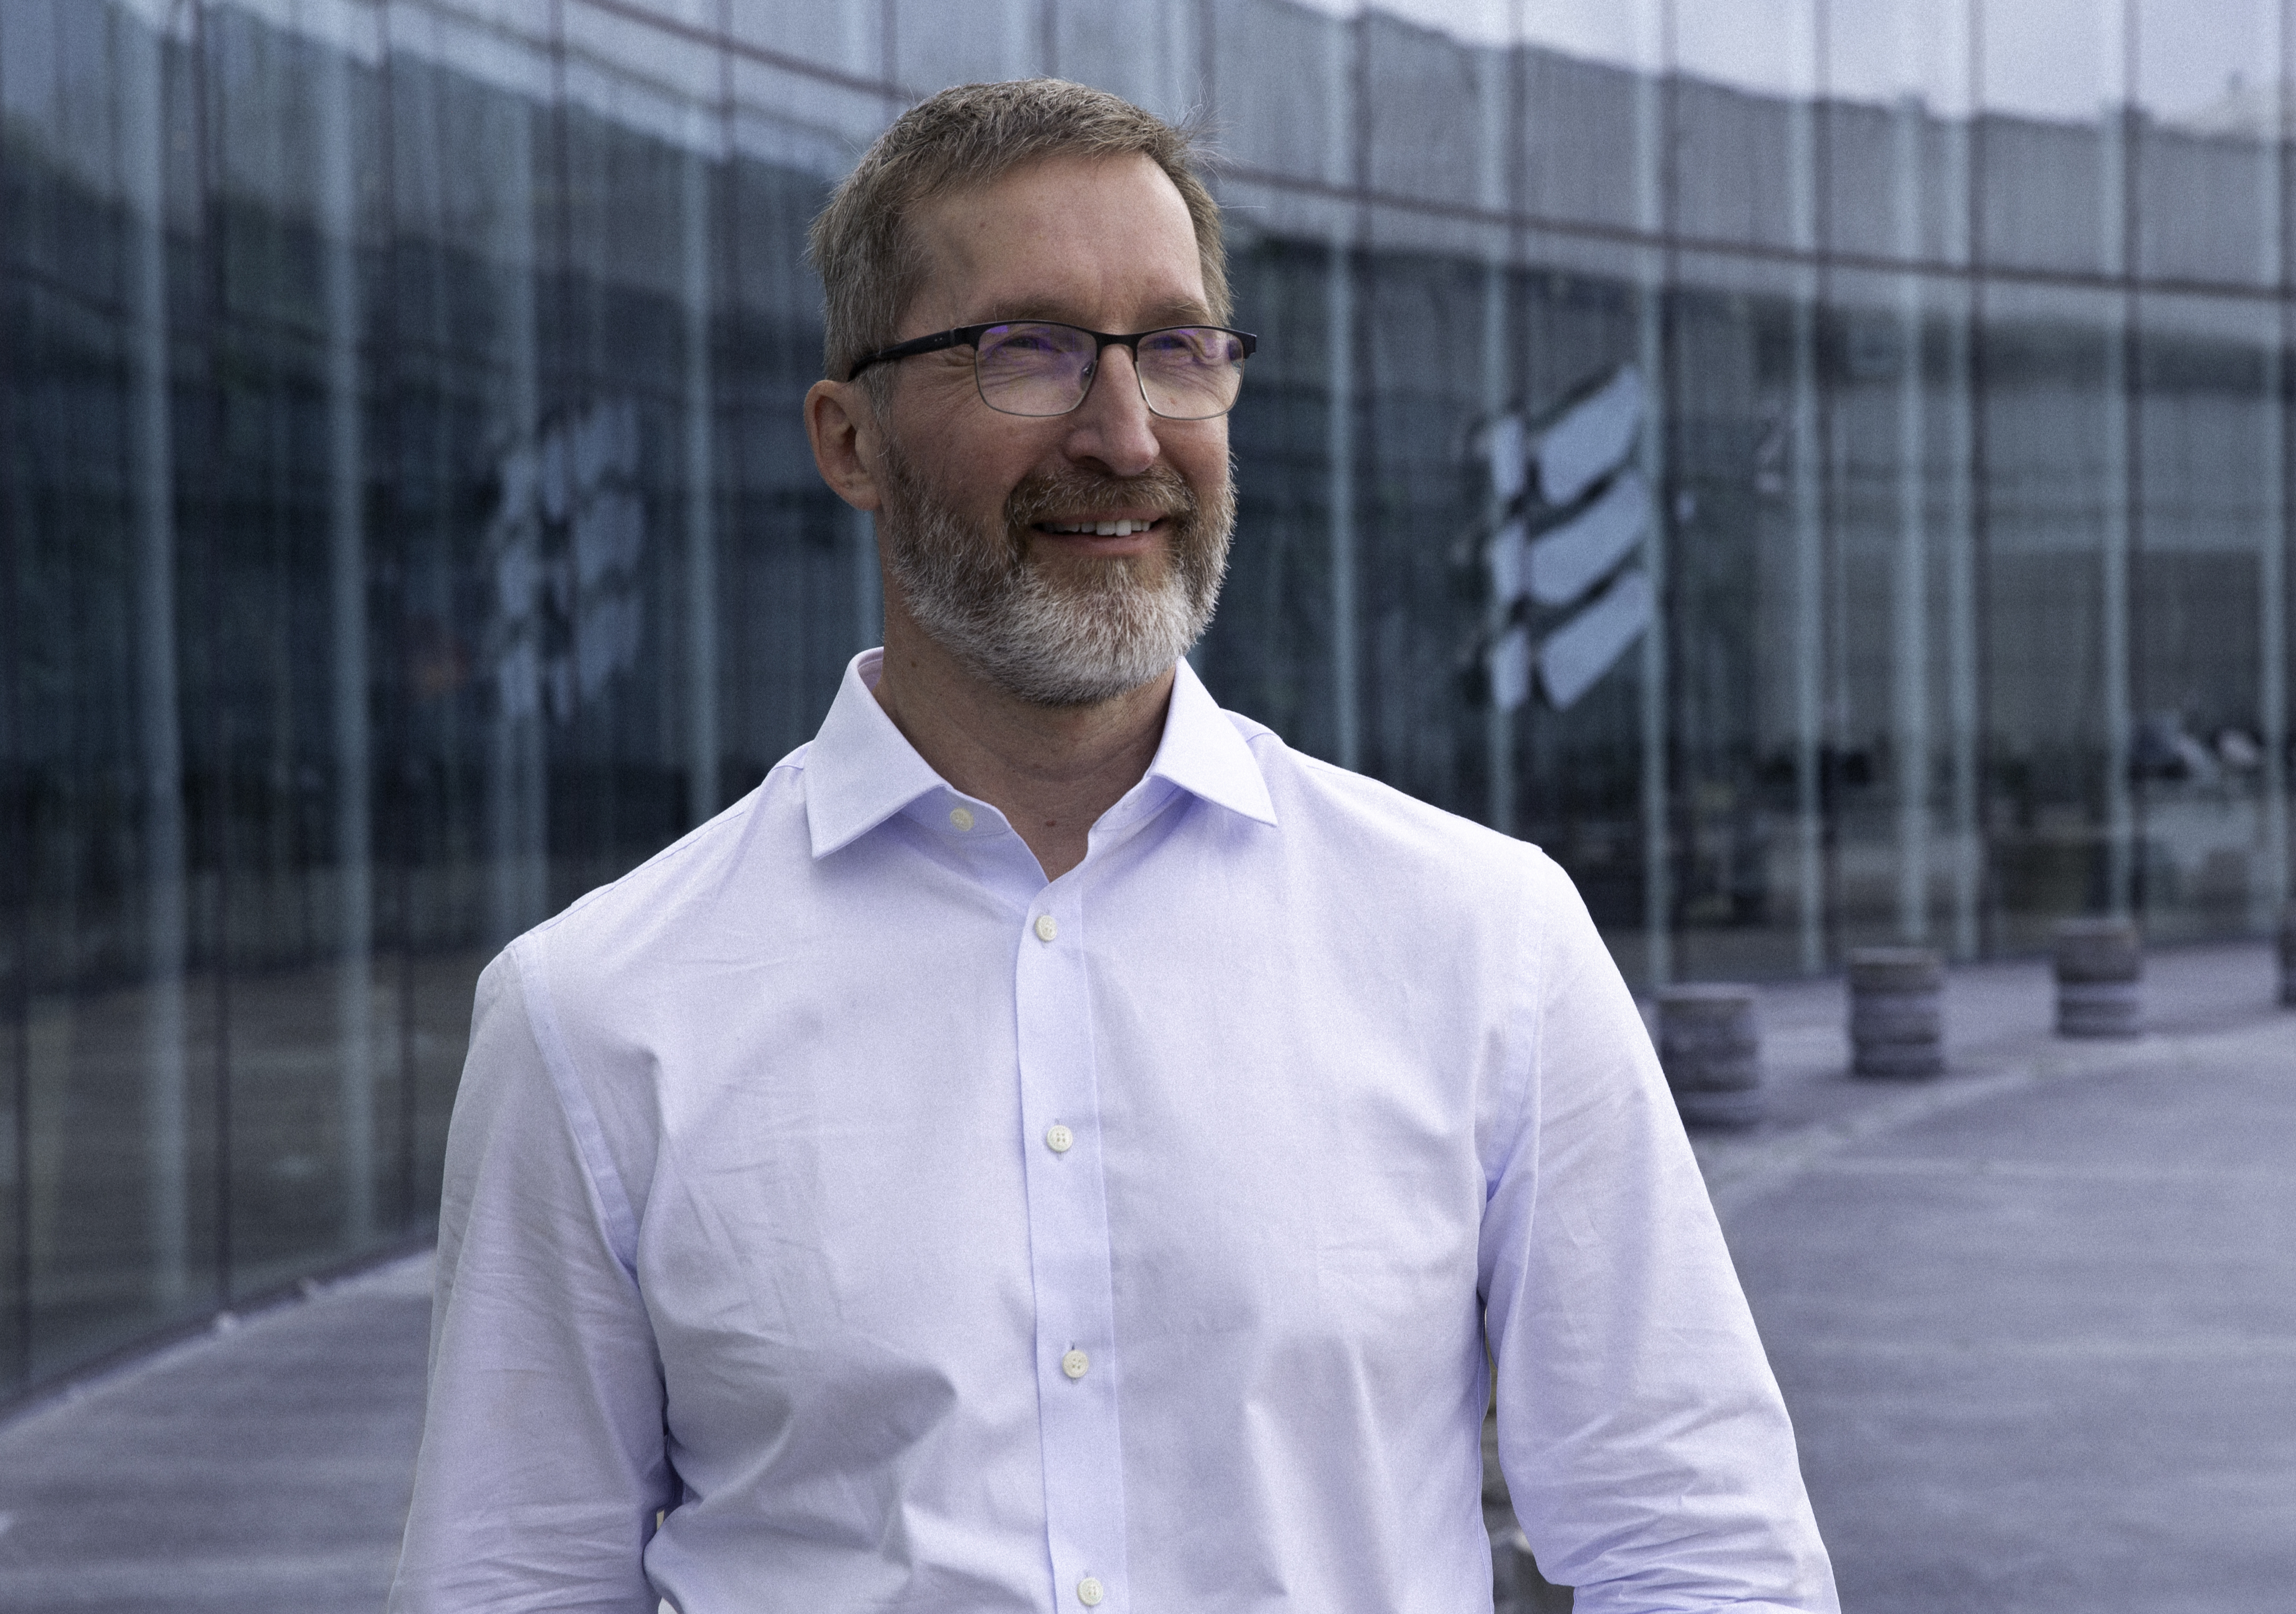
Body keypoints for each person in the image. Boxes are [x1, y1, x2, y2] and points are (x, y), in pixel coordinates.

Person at [391, 78, 1836, 1614]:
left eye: (1177, 348)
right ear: (850, 439)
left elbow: (1700, 1547)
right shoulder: (597, 1014)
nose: (1127, 431)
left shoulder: (1485, 940)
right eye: (1029, 350)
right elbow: (509, 1585)